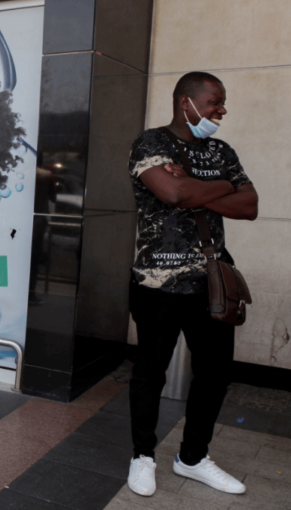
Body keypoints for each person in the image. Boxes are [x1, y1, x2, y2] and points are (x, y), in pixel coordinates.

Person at [126, 72, 258, 497]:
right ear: (186, 102)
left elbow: (250, 205)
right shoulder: (151, 143)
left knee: (215, 374)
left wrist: (194, 185)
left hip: (211, 282)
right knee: (151, 372)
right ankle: (143, 456)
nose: (221, 110)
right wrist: (217, 187)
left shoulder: (222, 150)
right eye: (214, 101)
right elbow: (174, 195)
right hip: (156, 282)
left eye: (222, 102)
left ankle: (192, 458)